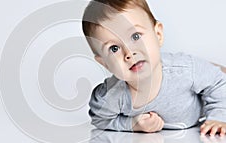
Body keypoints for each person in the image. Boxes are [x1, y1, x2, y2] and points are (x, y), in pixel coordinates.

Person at [82, 0, 226, 136]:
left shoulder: (184, 71)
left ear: (158, 35)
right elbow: (99, 119)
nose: (129, 53)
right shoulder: (110, 97)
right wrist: (132, 125)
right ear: (104, 63)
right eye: (114, 48)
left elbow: (219, 82)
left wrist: (218, 117)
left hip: (213, 79)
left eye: (135, 36)